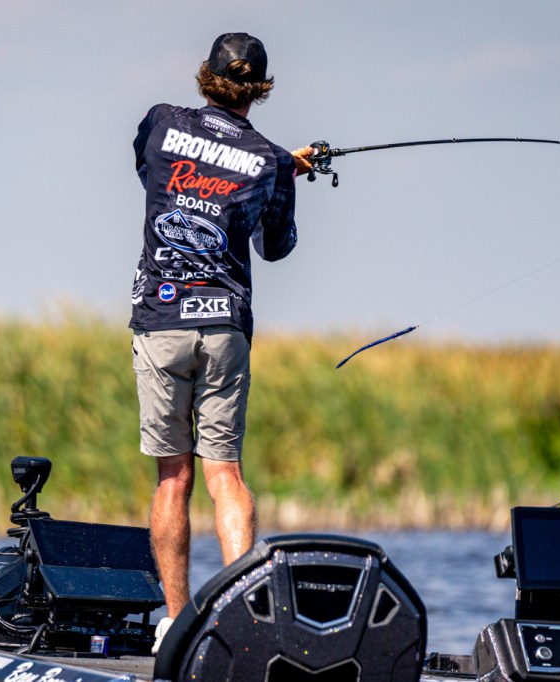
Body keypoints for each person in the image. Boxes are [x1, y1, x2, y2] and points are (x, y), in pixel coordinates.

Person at [129, 32, 313, 653]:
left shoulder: (160, 122)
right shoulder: (268, 160)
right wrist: (284, 170)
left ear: (206, 75)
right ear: (259, 88)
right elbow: (276, 246)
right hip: (226, 324)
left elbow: (148, 171)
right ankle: (242, 622)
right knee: (225, 474)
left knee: (172, 479)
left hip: (161, 320)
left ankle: (176, 626)